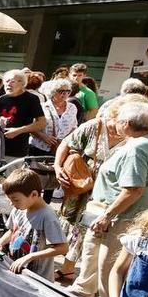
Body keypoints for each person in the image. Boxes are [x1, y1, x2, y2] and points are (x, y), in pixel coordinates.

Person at [69, 101, 148, 297]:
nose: (115, 123)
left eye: (119, 120)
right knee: (93, 253)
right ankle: (84, 290)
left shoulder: (137, 148)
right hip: (118, 212)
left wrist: (108, 215)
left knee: (108, 263)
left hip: (121, 215)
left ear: (128, 123)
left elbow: (133, 189)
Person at [52, 96, 137, 282]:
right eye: (118, 120)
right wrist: (58, 168)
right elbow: (66, 143)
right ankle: (67, 267)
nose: (119, 126)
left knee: (90, 228)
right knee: (73, 224)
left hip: (108, 191)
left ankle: (80, 273)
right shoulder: (95, 126)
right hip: (81, 186)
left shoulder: (134, 137)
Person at [0, 168, 68, 280]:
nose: (12, 203)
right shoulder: (18, 209)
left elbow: (62, 248)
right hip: (17, 271)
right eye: (10, 199)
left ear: (34, 194)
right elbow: (12, 230)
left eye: (15, 199)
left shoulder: (47, 216)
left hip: (37, 278)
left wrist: (30, 256)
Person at [0, 69, 46, 161]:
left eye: (12, 81)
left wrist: (18, 131)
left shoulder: (31, 99)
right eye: (6, 81)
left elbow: (41, 123)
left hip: (16, 151)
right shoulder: (2, 99)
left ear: (22, 84)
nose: (8, 84)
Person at [31, 77, 81, 156]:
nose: (65, 94)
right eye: (61, 91)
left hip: (61, 149)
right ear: (52, 92)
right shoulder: (42, 107)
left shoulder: (72, 107)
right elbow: (31, 127)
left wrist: (65, 141)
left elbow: (74, 127)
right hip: (40, 148)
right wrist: (44, 137)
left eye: (68, 91)